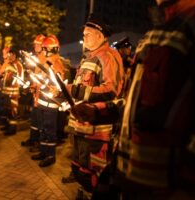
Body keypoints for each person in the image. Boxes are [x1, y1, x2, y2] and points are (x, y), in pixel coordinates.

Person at [90, 0, 195, 199]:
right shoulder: (158, 31)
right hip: (131, 175)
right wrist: (99, 111)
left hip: (166, 186)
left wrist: (189, 181)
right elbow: (142, 105)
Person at [61, 14, 124, 197]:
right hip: (81, 127)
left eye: (88, 33)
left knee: (95, 171)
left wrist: (73, 90)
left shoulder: (108, 56)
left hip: (97, 129)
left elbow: (112, 90)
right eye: (84, 33)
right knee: (81, 167)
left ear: (100, 35)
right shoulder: (88, 58)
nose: (84, 37)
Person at [30, 35, 67, 167]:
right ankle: (43, 151)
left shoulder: (56, 64)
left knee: (49, 130)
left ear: (51, 49)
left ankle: (50, 155)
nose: (42, 51)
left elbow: (59, 85)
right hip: (42, 102)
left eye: (44, 49)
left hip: (50, 104)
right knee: (43, 129)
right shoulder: (47, 62)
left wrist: (53, 88)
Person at [21, 34, 46, 150]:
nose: (35, 46)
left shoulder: (45, 58)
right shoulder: (37, 57)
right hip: (36, 93)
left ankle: (39, 143)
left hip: (42, 94)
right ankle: (33, 139)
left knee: (41, 120)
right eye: (35, 44)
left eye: (38, 44)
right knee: (35, 118)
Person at [0, 47, 24, 136]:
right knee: (7, 110)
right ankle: (7, 125)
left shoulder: (18, 64)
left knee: (13, 111)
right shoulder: (8, 64)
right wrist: (6, 63)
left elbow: (21, 79)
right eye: (9, 54)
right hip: (6, 91)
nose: (10, 56)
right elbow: (0, 73)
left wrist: (13, 78)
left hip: (13, 92)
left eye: (12, 55)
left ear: (15, 55)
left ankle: (12, 129)